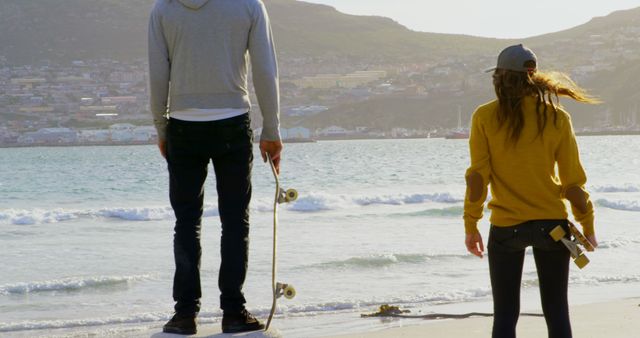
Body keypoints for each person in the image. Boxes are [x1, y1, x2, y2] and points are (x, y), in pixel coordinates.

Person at [148, 0, 282, 334]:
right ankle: (234, 312)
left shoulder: (163, 9)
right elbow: (266, 70)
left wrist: (161, 128)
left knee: (187, 222)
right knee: (235, 221)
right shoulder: (249, 5)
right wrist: (272, 131)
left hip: (182, 124)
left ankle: (184, 315)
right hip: (232, 123)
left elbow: (157, 72)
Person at [463, 44, 598, 338]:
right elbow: (573, 182)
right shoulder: (557, 118)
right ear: (533, 76)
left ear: (499, 77)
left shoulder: (484, 116)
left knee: (506, 315)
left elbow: (477, 179)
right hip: (554, 227)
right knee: (557, 311)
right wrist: (587, 224)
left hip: (506, 227)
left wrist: (471, 224)